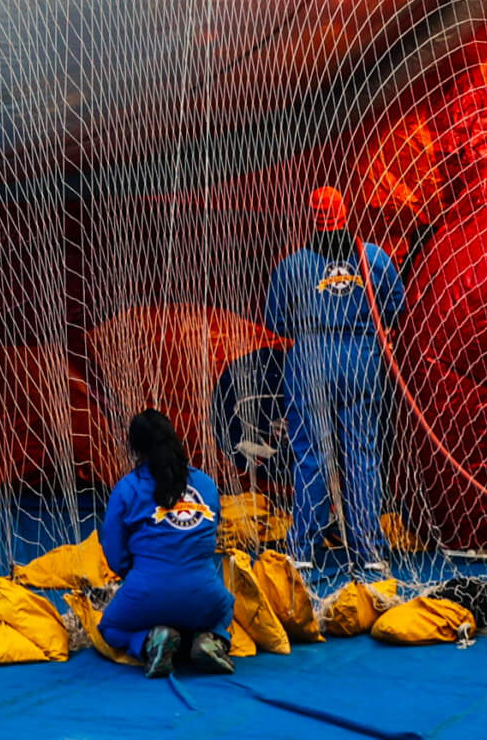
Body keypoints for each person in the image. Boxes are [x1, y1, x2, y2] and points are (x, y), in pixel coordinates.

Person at [263, 185, 405, 567]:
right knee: (361, 453)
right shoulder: (374, 258)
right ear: (345, 212)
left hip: (311, 357)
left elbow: (275, 321)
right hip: (360, 358)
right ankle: (369, 548)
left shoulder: (291, 265)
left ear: (312, 216)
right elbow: (395, 307)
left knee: (310, 455)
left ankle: (304, 549)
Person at [97, 408, 237, 678]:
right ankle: (210, 640)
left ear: (135, 447)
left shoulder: (126, 488)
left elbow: (115, 554)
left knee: (110, 629)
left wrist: (139, 577)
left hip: (146, 591)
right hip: (204, 594)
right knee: (225, 608)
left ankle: (151, 641)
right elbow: (211, 536)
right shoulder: (206, 484)